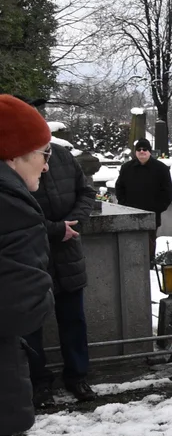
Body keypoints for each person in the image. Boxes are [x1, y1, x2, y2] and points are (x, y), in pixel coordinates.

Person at [24, 105, 98, 406]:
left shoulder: (63, 155)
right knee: (31, 325)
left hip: (68, 251)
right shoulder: (13, 161)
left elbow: (87, 192)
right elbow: (13, 213)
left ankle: (78, 377)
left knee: (73, 320)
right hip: (31, 252)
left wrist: (74, 223)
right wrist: (56, 229)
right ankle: (38, 383)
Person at [0, 94, 54, 436]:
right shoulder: (12, 205)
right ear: (13, 154)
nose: (47, 163)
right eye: (42, 152)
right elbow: (24, 307)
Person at [114, 138, 172, 261]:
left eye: (145, 149)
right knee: (131, 243)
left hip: (151, 214)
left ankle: (149, 265)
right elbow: (119, 187)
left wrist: (157, 208)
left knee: (149, 243)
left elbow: (167, 192)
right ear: (135, 152)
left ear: (149, 151)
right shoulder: (126, 168)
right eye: (139, 149)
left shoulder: (161, 168)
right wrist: (124, 205)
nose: (142, 152)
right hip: (130, 213)